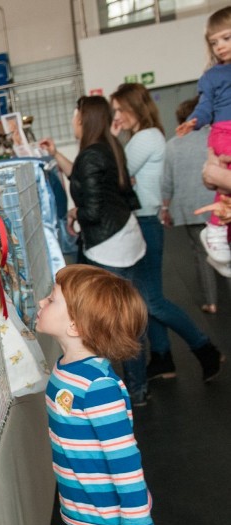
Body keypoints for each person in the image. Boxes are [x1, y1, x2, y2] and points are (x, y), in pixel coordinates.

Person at [37, 264, 157, 525]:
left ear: (76, 327)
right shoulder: (66, 367)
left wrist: (136, 517)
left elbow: (124, 458)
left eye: (51, 299)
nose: (41, 302)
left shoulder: (98, 387)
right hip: (86, 513)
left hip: (110, 523)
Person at [110, 83, 223, 385]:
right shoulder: (143, 137)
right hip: (144, 220)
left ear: (134, 106)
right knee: (148, 299)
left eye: (120, 108)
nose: (117, 115)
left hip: (146, 222)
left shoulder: (145, 137)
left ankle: (204, 347)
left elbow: (118, 175)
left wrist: (114, 138)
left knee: (152, 300)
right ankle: (162, 357)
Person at [39, 96, 148, 404]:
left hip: (108, 243)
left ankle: (125, 389)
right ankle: (138, 385)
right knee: (128, 313)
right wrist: (55, 153)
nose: (73, 121)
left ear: (84, 121)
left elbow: (93, 208)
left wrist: (73, 216)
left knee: (114, 321)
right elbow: (85, 180)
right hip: (124, 234)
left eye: (75, 116)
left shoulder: (91, 154)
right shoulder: (106, 147)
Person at [175, 7, 231, 267]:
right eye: (214, 42)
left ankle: (218, 228)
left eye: (226, 39)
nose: (220, 46)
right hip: (223, 132)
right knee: (221, 183)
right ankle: (218, 228)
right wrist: (194, 121)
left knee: (223, 183)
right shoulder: (212, 76)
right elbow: (205, 105)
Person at [164, 97, 231, 310]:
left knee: (200, 254)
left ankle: (211, 302)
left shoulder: (172, 145)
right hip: (218, 203)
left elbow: (167, 181)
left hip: (190, 207)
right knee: (225, 249)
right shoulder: (214, 138)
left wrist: (165, 207)